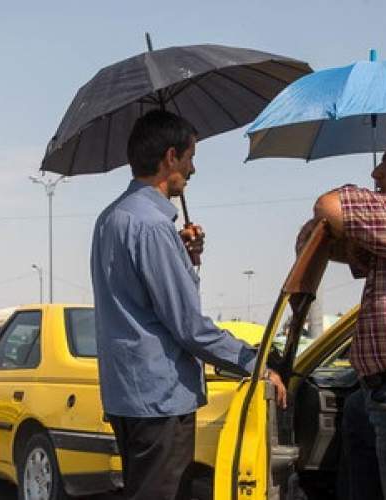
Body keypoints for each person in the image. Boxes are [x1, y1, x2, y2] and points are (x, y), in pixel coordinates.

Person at [90, 109, 287, 500]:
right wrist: (256, 363)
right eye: (190, 157)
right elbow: (188, 326)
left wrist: (185, 256)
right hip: (160, 399)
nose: (192, 169)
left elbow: (140, 297)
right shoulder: (152, 225)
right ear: (170, 158)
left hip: (127, 394)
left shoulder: (112, 217)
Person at [297, 129, 386, 500]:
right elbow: (314, 239)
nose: (377, 173)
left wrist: (352, 202)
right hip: (382, 391)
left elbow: (330, 207)